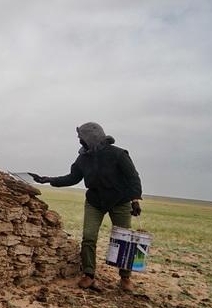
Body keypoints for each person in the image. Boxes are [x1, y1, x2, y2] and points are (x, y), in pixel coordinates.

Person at [29, 122, 142, 291]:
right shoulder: (83, 158)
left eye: (81, 137)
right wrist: (49, 180)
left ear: (92, 136)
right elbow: (72, 178)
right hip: (95, 201)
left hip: (120, 201)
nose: (80, 141)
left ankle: (125, 278)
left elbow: (133, 177)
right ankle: (89, 275)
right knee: (89, 236)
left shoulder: (118, 154)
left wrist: (135, 199)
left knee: (124, 239)